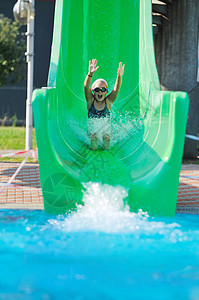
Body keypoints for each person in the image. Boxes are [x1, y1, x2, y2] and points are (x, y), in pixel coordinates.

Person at [84, 59, 125, 150]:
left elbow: (116, 88)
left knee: (106, 137)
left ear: (106, 92)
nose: (100, 92)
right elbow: (86, 87)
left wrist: (119, 76)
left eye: (103, 90)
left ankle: (106, 149)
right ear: (93, 91)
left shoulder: (108, 102)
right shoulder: (90, 101)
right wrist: (90, 74)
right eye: (97, 89)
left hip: (105, 130)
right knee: (93, 137)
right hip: (92, 131)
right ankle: (93, 148)